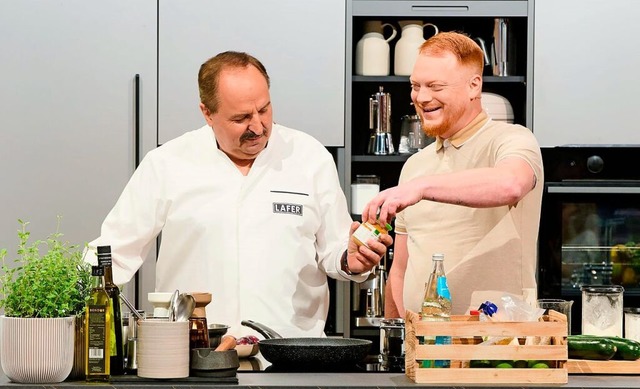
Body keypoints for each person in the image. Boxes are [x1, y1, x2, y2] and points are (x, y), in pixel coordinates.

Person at [88, 51, 391, 338]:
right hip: (195, 352)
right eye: (241, 118)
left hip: (290, 352)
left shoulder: (310, 157)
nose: (258, 127)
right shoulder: (167, 163)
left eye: (264, 109)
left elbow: (335, 250)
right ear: (207, 113)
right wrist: (60, 295)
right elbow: (113, 251)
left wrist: (353, 260)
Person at [362, 32, 543, 317]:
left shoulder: (512, 140)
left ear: (474, 86)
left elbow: (511, 183)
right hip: (421, 349)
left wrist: (421, 188)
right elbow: (401, 269)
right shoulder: (415, 166)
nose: (421, 97)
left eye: (435, 86)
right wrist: (396, 342)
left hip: (496, 347)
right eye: (415, 86)